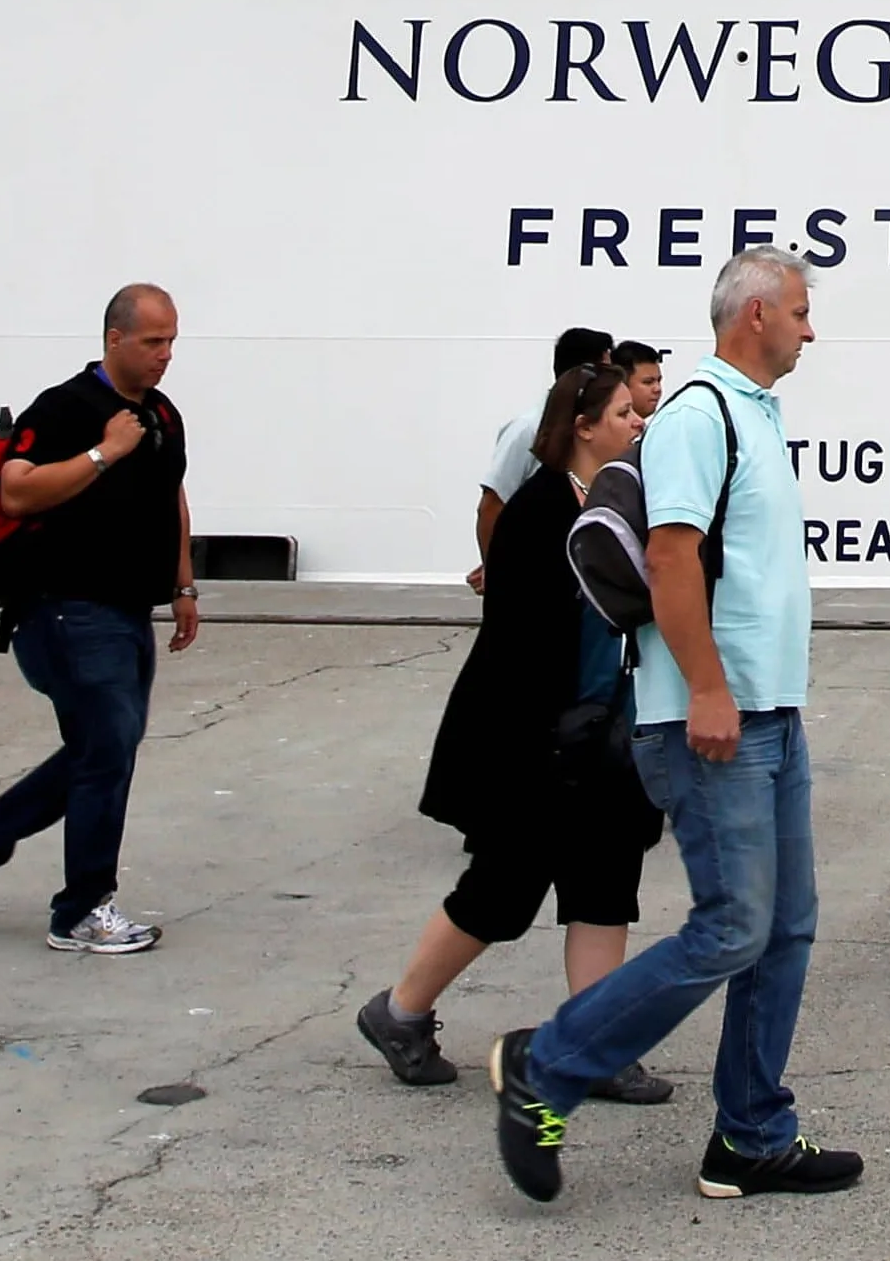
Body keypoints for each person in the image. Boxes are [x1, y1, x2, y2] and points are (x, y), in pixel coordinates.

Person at [492, 248, 859, 1204]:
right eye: (800, 312)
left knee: (782, 929)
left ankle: (750, 1136)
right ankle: (548, 1063)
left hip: (769, 712)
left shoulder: (756, 414)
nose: (810, 330)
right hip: (714, 718)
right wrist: (706, 689)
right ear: (755, 315)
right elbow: (670, 557)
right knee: (733, 926)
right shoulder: (701, 416)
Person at [361, 359, 674, 1104]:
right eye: (624, 413)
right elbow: (519, 645)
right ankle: (400, 1012)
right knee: (501, 891)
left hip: (604, 733)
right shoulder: (540, 512)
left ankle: (595, 1048)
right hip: (534, 741)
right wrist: (551, 740)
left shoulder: (618, 501)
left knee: (605, 886)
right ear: (584, 427)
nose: (639, 422)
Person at [0, 284, 199, 957]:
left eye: (171, 341)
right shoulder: (65, 407)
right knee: (106, 748)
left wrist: (184, 585)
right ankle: (81, 910)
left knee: (102, 751)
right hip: (63, 609)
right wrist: (104, 452)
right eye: (153, 341)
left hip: (129, 610)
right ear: (114, 339)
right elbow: (16, 492)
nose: (165, 354)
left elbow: (171, 494)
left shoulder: (162, 413)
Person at [473, 327, 615, 588]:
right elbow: (491, 505)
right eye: (606, 368)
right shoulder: (527, 429)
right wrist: (497, 574)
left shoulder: (594, 433)